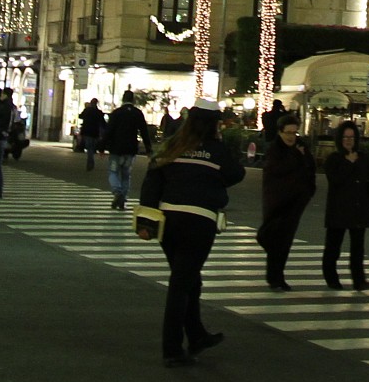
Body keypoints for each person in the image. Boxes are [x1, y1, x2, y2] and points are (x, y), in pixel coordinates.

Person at [138, 97, 245, 366]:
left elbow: (152, 179)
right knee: (181, 285)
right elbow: (237, 174)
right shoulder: (216, 150)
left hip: (169, 222)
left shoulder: (174, 145)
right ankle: (172, 348)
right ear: (213, 125)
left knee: (188, 280)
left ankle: (197, 335)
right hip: (199, 223)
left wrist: (146, 222)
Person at [257, 115, 315, 290]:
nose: (291, 136)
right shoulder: (275, 149)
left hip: (296, 201)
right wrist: (296, 156)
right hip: (277, 200)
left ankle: (277, 277)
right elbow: (277, 169)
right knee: (274, 237)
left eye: (294, 132)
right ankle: (274, 276)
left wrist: (309, 191)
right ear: (280, 132)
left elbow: (310, 167)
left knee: (285, 240)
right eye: (288, 132)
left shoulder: (301, 146)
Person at [321, 120, 369, 289]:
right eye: (345, 137)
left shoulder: (364, 158)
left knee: (357, 248)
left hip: (359, 208)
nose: (348, 140)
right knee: (333, 247)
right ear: (340, 139)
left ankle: (359, 279)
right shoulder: (334, 159)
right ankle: (331, 278)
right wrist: (349, 162)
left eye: (352, 137)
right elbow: (335, 180)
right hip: (338, 210)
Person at [103, 90, 150, 211]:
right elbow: (144, 132)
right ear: (133, 100)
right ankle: (122, 198)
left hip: (116, 149)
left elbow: (109, 131)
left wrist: (101, 146)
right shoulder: (137, 113)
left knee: (113, 172)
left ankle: (117, 193)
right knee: (126, 175)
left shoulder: (116, 113)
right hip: (130, 150)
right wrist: (149, 149)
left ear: (123, 99)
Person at [76, 98, 107, 171]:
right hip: (95, 132)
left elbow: (80, 116)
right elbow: (103, 123)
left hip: (87, 132)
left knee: (89, 147)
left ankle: (90, 162)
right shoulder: (99, 112)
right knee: (92, 147)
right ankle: (91, 161)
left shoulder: (87, 110)